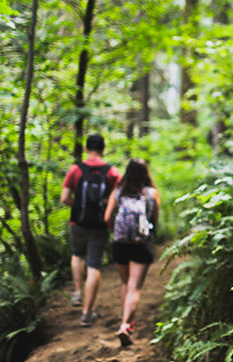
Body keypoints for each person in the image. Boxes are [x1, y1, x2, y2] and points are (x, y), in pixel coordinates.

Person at [61, 133, 121, 327]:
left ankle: (77, 292)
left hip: (77, 222)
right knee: (94, 265)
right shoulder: (112, 172)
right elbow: (120, 198)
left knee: (77, 255)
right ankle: (87, 313)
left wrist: (77, 205)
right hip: (101, 225)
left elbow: (64, 198)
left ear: (86, 149)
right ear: (103, 149)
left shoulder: (76, 170)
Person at [104, 158, 160, 346]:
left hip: (120, 244)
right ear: (146, 173)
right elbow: (154, 218)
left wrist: (116, 231)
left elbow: (107, 218)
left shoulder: (118, 192)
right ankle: (126, 325)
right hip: (141, 244)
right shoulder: (151, 193)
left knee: (125, 283)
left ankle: (125, 321)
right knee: (134, 287)